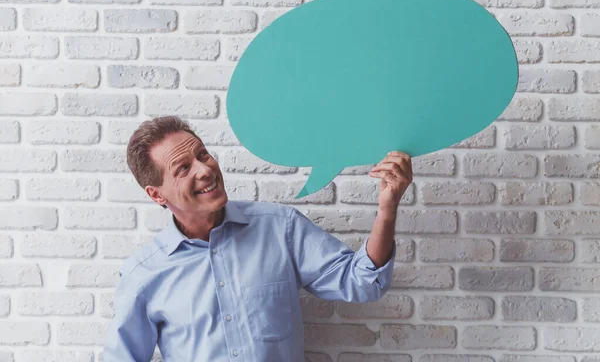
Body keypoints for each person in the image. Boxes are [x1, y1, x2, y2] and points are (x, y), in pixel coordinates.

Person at [103, 115, 413, 362]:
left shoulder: (280, 228)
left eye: (203, 155)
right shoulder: (144, 274)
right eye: (183, 168)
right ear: (156, 194)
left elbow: (362, 282)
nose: (205, 169)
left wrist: (387, 208)